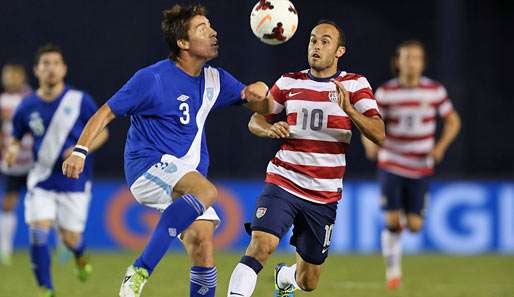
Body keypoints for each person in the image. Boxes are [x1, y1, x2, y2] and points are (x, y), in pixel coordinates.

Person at [62, 4, 271, 297]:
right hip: (146, 167)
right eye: (202, 29)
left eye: (210, 25)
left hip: (183, 174)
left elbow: (258, 104)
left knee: (201, 241)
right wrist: (80, 151)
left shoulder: (215, 79)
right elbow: (105, 113)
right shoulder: (152, 79)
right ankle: (140, 270)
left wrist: (259, 94)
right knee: (206, 192)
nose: (212, 32)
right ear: (183, 43)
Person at [226, 20, 385, 297]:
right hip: (284, 179)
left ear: (339, 51)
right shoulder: (289, 81)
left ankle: (284, 277)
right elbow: (256, 119)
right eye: (313, 40)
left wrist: (350, 110)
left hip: (323, 195)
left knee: (308, 280)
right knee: (261, 244)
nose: (316, 46)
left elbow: (380, 134)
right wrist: (268, 129)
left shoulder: (355, 84)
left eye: (325, 41)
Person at [3, 44, 109, 297]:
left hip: (74, 182)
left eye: (55, 63)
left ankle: (81, 257)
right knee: (38, 232)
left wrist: (80, 150)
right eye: (45, 64)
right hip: (40, 180)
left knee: (71, 239)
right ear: (37, 70)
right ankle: (46, 289)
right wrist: (12, 150)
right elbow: (16, 136)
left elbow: (102, 132)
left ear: (64, 69)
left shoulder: (79, 100)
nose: (51, 68)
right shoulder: (27, 105)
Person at [361, 40, 461, 289]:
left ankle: (405, 215)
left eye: (415, 58)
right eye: (406, 57)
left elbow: (453, 121)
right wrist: (369, 145)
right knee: (393, 221)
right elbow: (367, 123)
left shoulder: (434, 91)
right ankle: (393, 273)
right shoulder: (385, 92)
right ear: (397, 62)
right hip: (392, 163)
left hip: (421, 167)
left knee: (415, 226)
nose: (410, 62)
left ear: (423, 63)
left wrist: (440, 147)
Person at [0, 63, 33, 265]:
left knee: (43, 203)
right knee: (8, 203)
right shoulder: (2, 100)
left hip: (33, 161)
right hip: (12, 162)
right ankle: (5, 249)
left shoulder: (30, 98)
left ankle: (59, 247)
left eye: (14, 76)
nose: (11, 79)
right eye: (7, 76)